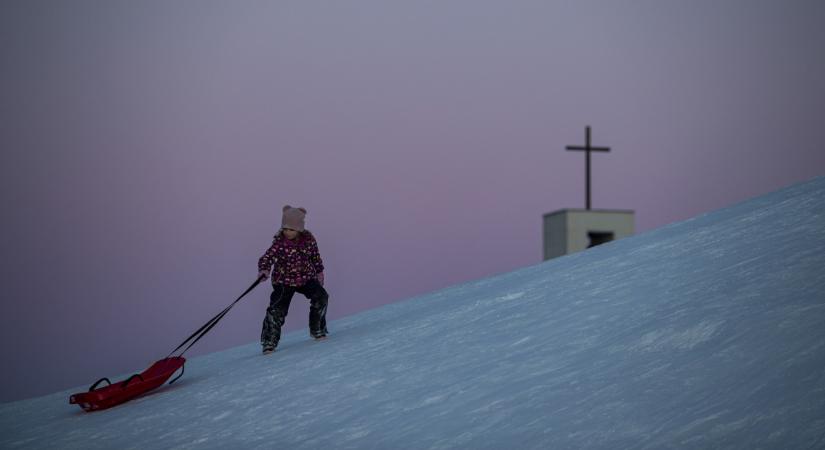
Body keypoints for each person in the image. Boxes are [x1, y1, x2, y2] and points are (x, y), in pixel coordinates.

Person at [257, 205, 329, 354]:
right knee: (276, 309)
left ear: (299, 229)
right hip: (284, 281)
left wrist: (319, 271)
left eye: (291, 229)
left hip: (305, 278)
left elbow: (315, 257)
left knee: (321, 296)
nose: (287, 232)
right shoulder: (279, 243)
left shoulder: (309, 241)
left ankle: (317, 329)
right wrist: (264, 269)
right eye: (285, 228)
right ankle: (269, 342)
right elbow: (267, 257)